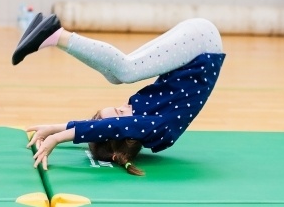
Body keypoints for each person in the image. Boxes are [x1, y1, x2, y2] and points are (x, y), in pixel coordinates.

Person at [15, 14, 226, 175]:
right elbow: (110, 127)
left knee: (116, 76)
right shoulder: (157, 131)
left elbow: (108, 126)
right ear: (127, 130)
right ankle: (54, 34)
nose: (124, 106)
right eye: (120, 111)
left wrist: (55, 127)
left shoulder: (144, 119)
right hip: (203, 46)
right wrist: (59, 137)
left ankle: (48, 33)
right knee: (126, 70)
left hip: (198, 44)